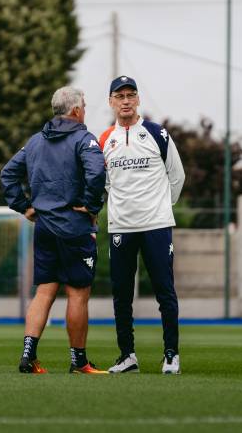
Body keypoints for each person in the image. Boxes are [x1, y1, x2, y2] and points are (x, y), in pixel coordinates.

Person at [1, 86, 108, 374]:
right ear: (75, 110)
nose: (84, 110)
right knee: (77, 294)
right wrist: (91, 205)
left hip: (45, 228)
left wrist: (24, 206)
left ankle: (28, 357)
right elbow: (97, 173)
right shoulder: (84, 139)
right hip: (74, 228)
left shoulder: (35, 141)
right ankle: (78, 361)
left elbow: (7, 173)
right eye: (83, 105)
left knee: (44, 292)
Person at [98, 76, 186, 374]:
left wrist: (161, 208)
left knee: (165, 290)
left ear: (138, 100)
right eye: (119, 96)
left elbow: (177, 176)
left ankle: (171, 355)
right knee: (121, 294)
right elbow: (105, 184)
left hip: (157, 225)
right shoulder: (104, 138)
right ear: (111, 101)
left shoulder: (156, 133)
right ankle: (127, 355)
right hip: (122, 227)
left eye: (130, 95)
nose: (125, 101)